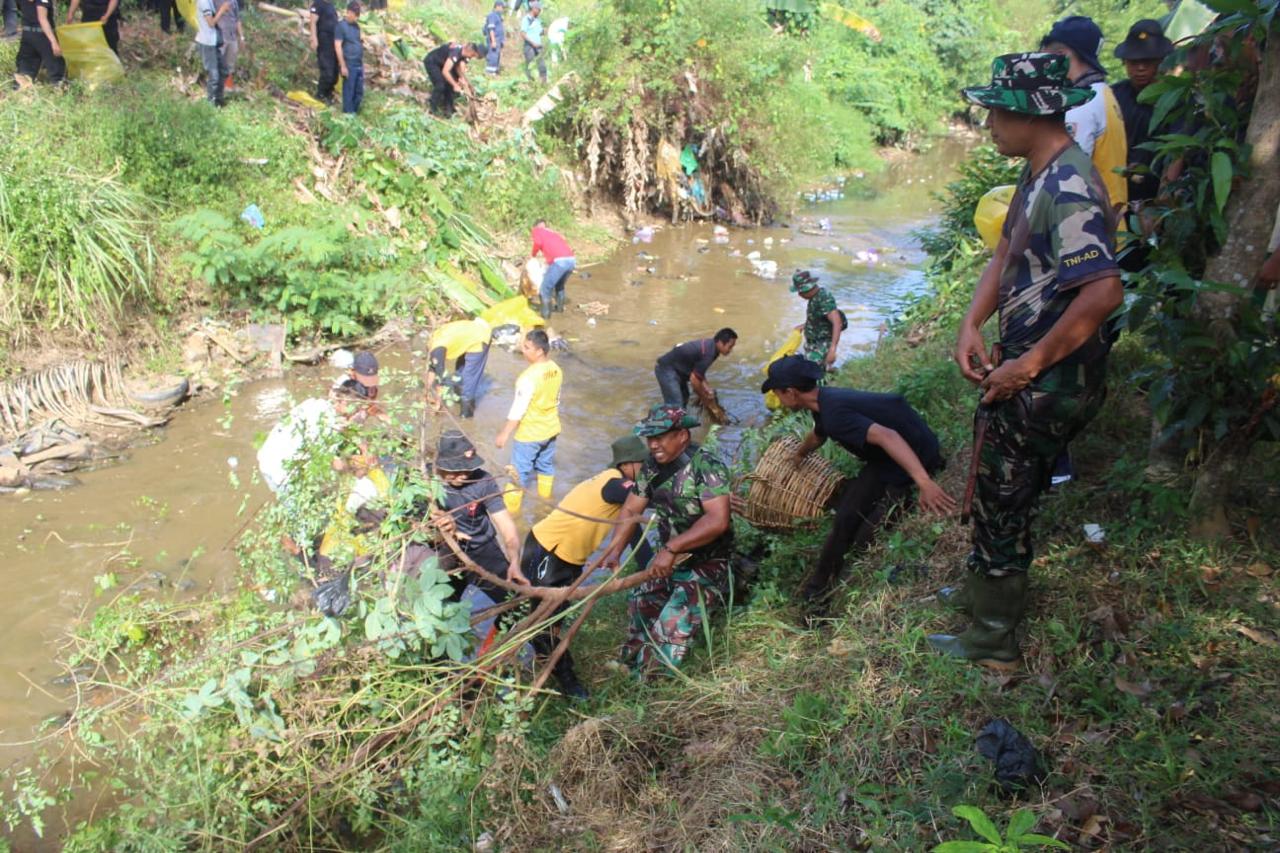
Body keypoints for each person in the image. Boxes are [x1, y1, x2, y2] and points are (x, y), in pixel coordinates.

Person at [939, 53, 1123, 668]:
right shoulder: (1037, 173)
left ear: (1028, 113)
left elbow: (1102, 291)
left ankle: (993, 641)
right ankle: (983, 595)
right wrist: (972, 323)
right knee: (998, 492)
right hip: (1027, 369)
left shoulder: (1069, 186)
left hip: (1049, 382)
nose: (988, 123)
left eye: (995, 111)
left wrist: (1029, 364)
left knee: (1005, 497)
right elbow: (1005, 254)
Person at [761, 356, 954, 609]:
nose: (777, 400)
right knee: (845, 518)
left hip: (912, 454)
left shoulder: (834, 414)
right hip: (884, 461)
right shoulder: (823, 402)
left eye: (777, 393)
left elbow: (888, 436)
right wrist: (799, 454)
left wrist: (924, 482)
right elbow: (819, 434)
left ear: (791, 392)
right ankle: (816, 590)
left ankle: (843, 591)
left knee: (867, 534)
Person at [601, 404, 734, 677]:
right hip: (669, 557)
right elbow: (630, 509)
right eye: (650, 438)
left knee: (673, 623)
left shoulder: (706, 466)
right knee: (641, 601)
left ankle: (649, 681)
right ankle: (631, 661)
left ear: (683, 435)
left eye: (660, 437)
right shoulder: (651, 467)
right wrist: (614, 550)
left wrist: (672, 548)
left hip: (707, 561)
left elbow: (717, 520)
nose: (653, 445)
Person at [519, 434, 651, 699]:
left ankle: (545, 661)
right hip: (547, 548)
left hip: (570, 558)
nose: (646, 470)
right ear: (626, 465)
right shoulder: (614, 485)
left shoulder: (618, 485)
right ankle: (568, 682)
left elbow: (633, 524)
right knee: (541, 622)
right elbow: (641, 498)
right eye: (642, 464)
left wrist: (648, 568)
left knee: (556, 616)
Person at [1040, 16, 1128, 213]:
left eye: (1045, 60)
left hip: (1092, 228)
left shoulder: (1082, 104)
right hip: (1112, 222)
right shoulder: (1104, 93)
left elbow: (1065, 176)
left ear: (1061, 55)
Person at [429, 430, 528, 601]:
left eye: (467, 469)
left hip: (484, 551)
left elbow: (506, 526)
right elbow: (420, 527)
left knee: (515, 603)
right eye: (456, 470)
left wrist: (514, 561)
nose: (464, 475)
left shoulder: (484, 481)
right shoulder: (427, 482)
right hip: (448, 551)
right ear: (441, 466)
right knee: (442, 607)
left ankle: (505, 627)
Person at [495, 328, 562, 514]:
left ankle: (511, 515)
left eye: (526, 348)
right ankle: (544, 503)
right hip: (551, 428)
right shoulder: (555, 369)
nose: (522, 350)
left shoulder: (527, 378)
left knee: (517, 474)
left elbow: (518, 409)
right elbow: (556, 399)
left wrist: (504, 434)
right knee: (545, 467)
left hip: (530, 434)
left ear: (539, 351)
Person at [1111, 20, 1175, 211]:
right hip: (1117, 194)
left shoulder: (1175, 99)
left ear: (1161, 61)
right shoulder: (1113, 95)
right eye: (1134, 62)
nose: (1140, 68)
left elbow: (1177, 154)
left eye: (1147, 62)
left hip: (1155, 197)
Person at [653, 328, 737, 409]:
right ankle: (667, 418)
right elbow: (694, 380)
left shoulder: (712, 348)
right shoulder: (709, 353)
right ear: (720, 342)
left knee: (685, 398)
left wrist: (707, 389)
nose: (730, 350)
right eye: (730, 347)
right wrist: (704, 398)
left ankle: (678, 419)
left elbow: (699, 372)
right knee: (676, 405)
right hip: (666, 369)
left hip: (678, 370)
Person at [425, 317, 492, 418]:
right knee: (459, 373)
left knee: (468, 380)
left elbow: (440, 379)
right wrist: (426, 392)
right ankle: (461, 397)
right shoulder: (433, 343)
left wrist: (438, 403)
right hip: (468, 334)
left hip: (480, 336)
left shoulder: (437, 350)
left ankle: (466, 415)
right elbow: (432, 369)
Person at [790, 269, 843, 369]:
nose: (799, 295)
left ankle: (826, 376)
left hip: (821, 344)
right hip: (813, 342)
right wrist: (804, 325)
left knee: (812, 372)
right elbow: (818, 318)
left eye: (800, 292)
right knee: (811, 368)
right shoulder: (814, 298)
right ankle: (828, 370)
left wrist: (832, 350)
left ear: (807, 289)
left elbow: (837, 323)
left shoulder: (824, 298)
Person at [423, 40, 480, 118]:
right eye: (472, 55)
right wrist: (455, 85)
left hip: (441, 63)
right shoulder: (456, 53)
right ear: (469, 51)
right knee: (440, 85)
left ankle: (448, 108)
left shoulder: (462, 53)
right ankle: (432, 107)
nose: (471, 57)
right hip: (432, 62)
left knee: (450, 85)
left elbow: (457, 67)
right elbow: (445, 71)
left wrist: (464, 80)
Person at [15, 0, 64, 84]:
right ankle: (58, 87)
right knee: (56, 68)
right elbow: (42, 19)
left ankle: (21, 89)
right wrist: (53, 42)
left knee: (26, 68)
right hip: (42, 34)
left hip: (27, 34)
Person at [334, 1, 363, 115]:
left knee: (359, 91)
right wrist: (343, 65)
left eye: (355, 15)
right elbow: (337, 46)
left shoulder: (356, 27)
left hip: (358, 63)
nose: (352, 16)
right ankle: (348, 114)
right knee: (349, 90)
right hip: (349, 63)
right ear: (348, 12)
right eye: (351, 13)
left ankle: (354, 111)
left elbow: (357, 42)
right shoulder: (341, 26)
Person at [194, 0, 225, 106]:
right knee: (214, 75)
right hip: (206, 42)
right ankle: (211, 104)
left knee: (223, 70)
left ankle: (219, 100)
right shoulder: (203, 2)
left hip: (214, 41)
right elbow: (211, 23)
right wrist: (222, 10)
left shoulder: (210, 1)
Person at [309, 0, 339, 103]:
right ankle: (320, 95)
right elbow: (313, 22)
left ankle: (328, 94)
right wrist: (313, 38)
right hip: (324, 41)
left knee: (335, 71)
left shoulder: (331, 6)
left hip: (334, 42)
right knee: (327, 71)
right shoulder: (318, 4)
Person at [214, 0, 243, 92]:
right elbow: (210, 19)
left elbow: (237, 19)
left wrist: (242, 37)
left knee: (230, 63)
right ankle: (216, 88)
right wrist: (222, 10)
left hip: (232, 36)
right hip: (221, 36)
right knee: (219, 63)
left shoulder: (234, 1)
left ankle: (228, 87)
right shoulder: (213, 1)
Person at [519, 0, 545, 85]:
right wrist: (532, 43)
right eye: (538, 10)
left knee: (542, 65)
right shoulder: (526, 19)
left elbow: (540, 32)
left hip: (538, 46)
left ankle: (543, 82)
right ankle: (530, 82)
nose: (539, 12)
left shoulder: (538, 20)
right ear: (534, 9)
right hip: (529, 46)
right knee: (530, 65)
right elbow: (523, 33)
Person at [482, 0, 504, 75]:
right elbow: (491, 29)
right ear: (497, 6)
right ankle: (489, 73)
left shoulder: (499, 17)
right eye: (501, 7)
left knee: (496, 57)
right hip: (493, 39)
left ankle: (494, 72)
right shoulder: (492, 15)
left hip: (498, 40)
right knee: (492, 56)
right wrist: (493, 41)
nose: (502, 9)